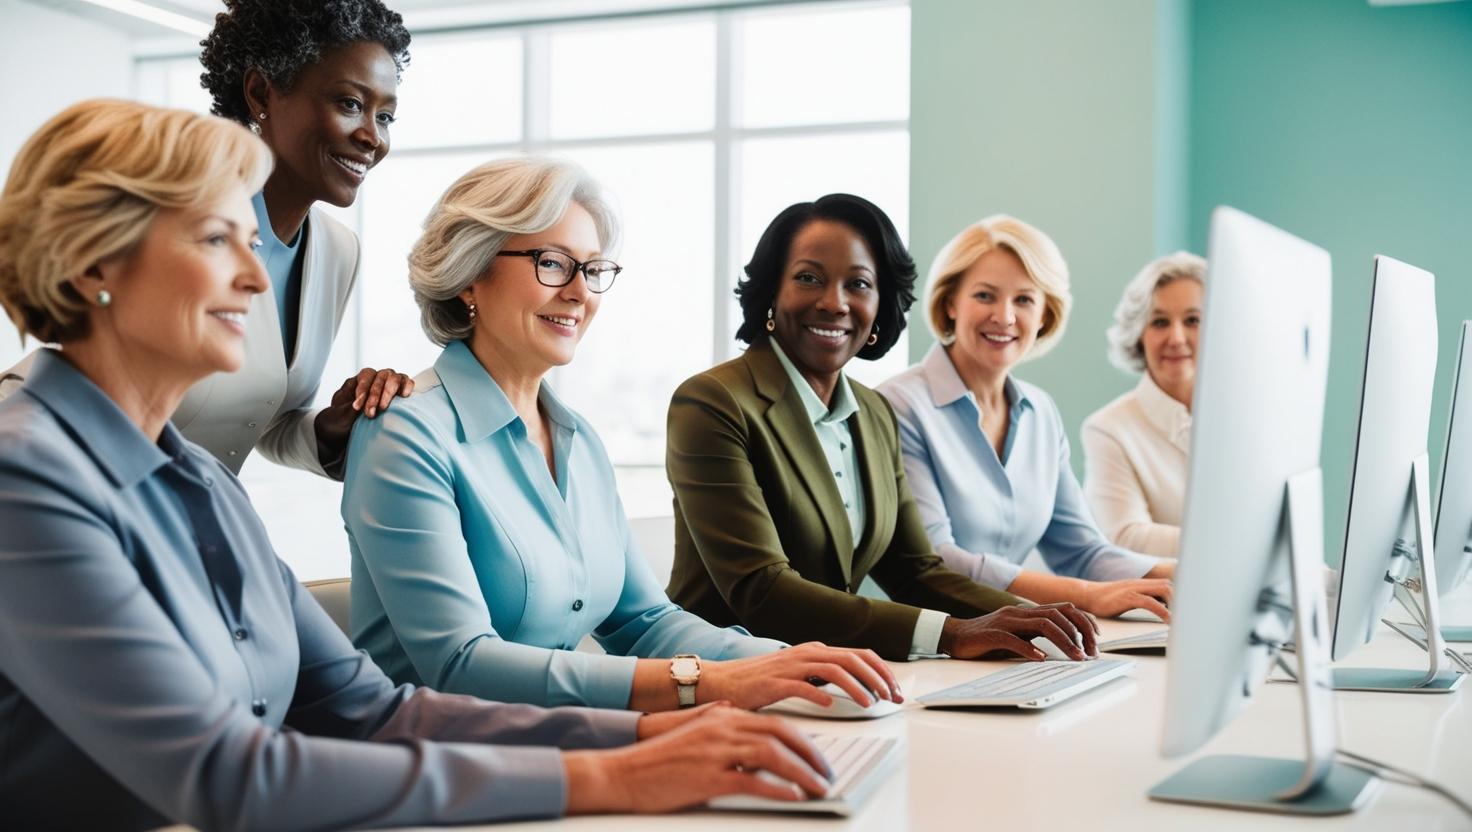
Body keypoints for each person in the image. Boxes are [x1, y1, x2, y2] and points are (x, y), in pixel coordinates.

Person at [0, 99, 836, 832]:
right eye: (220, 239)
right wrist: (612, 771)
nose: (258, 278)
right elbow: (229, 775)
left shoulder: (204, 482)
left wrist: (651, 734)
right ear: (93, 262)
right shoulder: (24, 479)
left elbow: (374, 713)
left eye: (254, 243)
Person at [342, 158, 901, 713]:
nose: (579, 293)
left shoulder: (578, 441)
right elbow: (460, 664)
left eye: (593, 270)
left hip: (556, 745)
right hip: (430, 763)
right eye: (554, 264)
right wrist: (708, 683)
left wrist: (791, 662)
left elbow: (644, 622)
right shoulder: (405, 433)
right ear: (470, 275)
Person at [665, 194, 1102, 663]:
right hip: (721, 677)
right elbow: (761, 589)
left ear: (880, 304)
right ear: (772, 291)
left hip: (834, 675)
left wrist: (1031, 616)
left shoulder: (873, 413)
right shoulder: (712, 402)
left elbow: (916, 572)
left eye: (858, 283)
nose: (835, 303)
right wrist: (950, 634)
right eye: (808, 278)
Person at [0, 0, 417, 477]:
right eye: (349, 103)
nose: (372, 137)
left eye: (385, 116)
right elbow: (88, 361)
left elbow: (263, 415)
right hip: (81, 479)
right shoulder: (175, 216)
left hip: (193, 509)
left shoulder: (338, 251)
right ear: (261, 93)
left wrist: (331, 428)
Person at [876, 215, 1174, 621]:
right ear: (950, 303)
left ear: (1045, 314)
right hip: (934, 644)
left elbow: (1081, 550)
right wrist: (1087, 595)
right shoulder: (900, 405)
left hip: (1019, 638)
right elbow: (939, 560)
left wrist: (1176, 576)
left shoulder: (1042, 413)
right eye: (985, 296)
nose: (1005, 316)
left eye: (1024, 299)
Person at [1081, 252, 1206, 556]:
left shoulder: (1243, 420)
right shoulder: (1108, 429)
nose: (1176, 337)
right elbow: (1125, 536)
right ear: (1138, 336)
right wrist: (1228, 542)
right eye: (1160, 322)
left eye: (1192, 320)